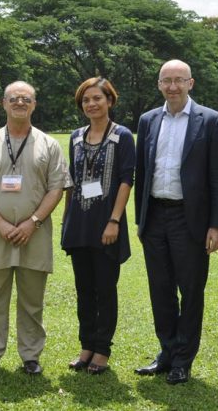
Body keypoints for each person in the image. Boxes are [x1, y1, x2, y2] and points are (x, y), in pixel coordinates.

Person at [0, 81, 72, 378]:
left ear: (34, 104)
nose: (20, 103)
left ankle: (30, 355)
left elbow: (57, 188)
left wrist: (32, 222)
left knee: (32, 301)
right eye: (14, 99)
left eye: (26, 99)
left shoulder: (48, 144)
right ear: (4, 104)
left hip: (33, 235)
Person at [133, 59, 218, 384]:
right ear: (159, 84)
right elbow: (142, 173)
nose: (172, 86)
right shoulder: (147, 120)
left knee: (190, 290)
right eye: (166, 80)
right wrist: (141, 221)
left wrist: (216, 225)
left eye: (179, 80)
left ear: (191, 83)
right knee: (160, 289)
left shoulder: (211, 121)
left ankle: (183, 359)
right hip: (155, 217)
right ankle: (166, 351)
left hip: (191, 220)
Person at [61, 78, 135, 375]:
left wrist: (114, 221)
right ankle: (86, 345)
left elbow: (126, 179)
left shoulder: (122, 136)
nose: (91, 104)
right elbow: (71, 181)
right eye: (85, 100)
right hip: (80, 224)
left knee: (105, 289)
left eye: (97, 98)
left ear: (109, 101)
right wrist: (67, 220)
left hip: (107, 224)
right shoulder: (76, 137)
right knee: (84, 290)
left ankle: (102, 349)